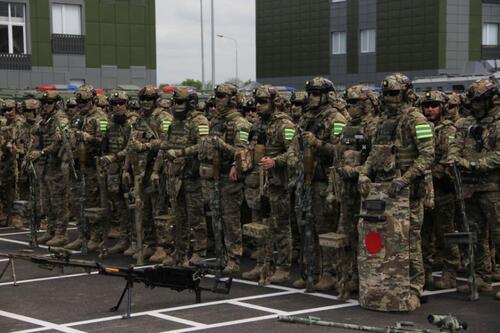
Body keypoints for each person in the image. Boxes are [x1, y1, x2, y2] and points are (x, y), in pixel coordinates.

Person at [358, 73, 434, 310]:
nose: (389, 99)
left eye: (394, 93)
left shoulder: (416, 120)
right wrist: (364, 173)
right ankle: (388, 287)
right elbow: (374, 153)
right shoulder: (382, 121)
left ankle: (414, 289)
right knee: (385, 242)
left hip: (407, 192)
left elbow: (428, 155)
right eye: (386, 94)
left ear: (406, 93)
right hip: (383, 191)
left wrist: (405, 179)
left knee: (410, 241)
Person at [449, 79, 500, 295]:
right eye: (472, 101)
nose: (474, 105)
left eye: (479, 101)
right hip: (470, 188)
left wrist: (473, 164)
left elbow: (498, 155)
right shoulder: (465, 123)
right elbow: (454, 146)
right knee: (476, 235)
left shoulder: (498, 123)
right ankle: (481, 277)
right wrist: (454, 159)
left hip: (493, 188)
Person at [420, 90, 460, 290]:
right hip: (423, 190)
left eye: (434, 105)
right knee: (423, 234)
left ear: (442, 107)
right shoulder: (422, 127)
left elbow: (448, 162)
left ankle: (450, 272)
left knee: (445, 232)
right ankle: (425, 272)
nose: (429, 109)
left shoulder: (448, 130)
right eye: (426, 106)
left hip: (442, 189)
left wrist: (427, 171)